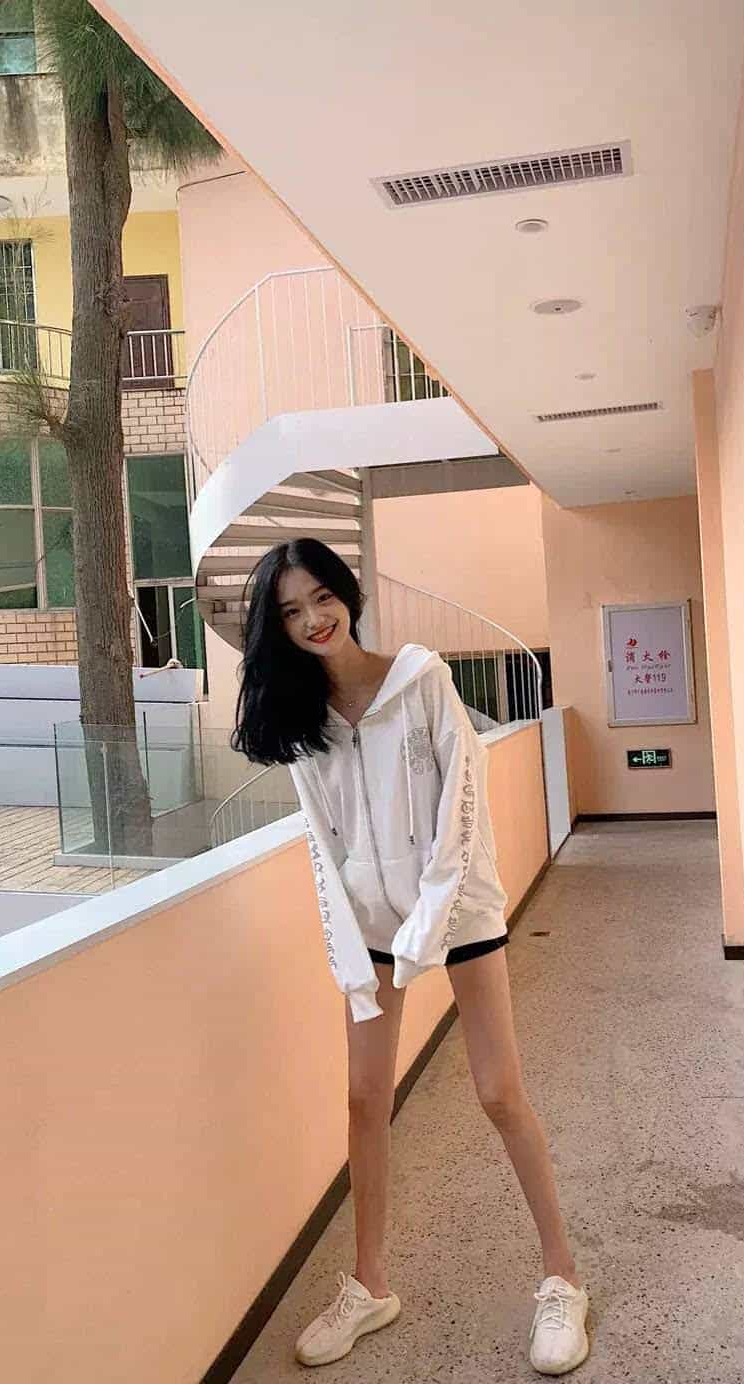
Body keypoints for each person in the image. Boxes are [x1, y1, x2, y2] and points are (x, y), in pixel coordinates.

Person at [232, 538, 590, 1376]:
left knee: (498, 1091)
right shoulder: (305, 722)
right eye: (291, 612)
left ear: (346, 594)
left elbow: (463, 815)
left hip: (457, 909)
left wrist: (423, 931)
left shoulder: (422, 680)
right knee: (364, 1101)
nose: (313, 620)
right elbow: (325, 848)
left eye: (322, 598)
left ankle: (563, 1279)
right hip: (369, 924)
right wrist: (354, 959)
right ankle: (370, 1285)